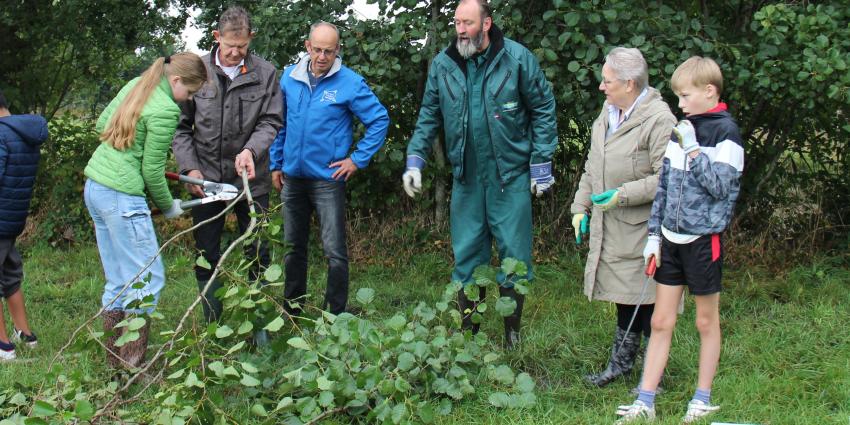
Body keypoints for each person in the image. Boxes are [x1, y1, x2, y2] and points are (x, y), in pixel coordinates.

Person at [402, 0, 557, 348]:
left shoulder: (516, 59)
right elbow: (429, 114)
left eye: (467, 23)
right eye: (457, 22)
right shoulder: (443, 65)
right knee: (468, 256)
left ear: (486, 24)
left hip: (509, 176)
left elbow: (543, 108)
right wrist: (415, 159)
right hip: (467, 178)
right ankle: (469, 337)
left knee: (514, 258)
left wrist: (540, 164)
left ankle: (512, 336)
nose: (460, 30)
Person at [614, 57, 744, 423]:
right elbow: (665, 187)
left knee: (705, 321)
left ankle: (701, 399)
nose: (680, 103)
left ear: (709, 91)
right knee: (660, 321)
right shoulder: (683, 128)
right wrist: (653, 236)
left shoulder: (727, 133)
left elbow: (720, 188)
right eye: (678, 96)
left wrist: (693, 150)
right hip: (669, 241)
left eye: (685, 96)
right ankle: (645, 402)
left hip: (703, 242)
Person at [84, 52, 207, 368]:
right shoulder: (166, 109)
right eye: (190, 91)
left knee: (118, 279)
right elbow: (152, 173)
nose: (188, 99)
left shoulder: (136, 85)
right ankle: (133, 366)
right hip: (122, 197)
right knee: (147, 281)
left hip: (96, 187)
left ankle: (115, 364)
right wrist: (168, 207)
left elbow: (102, 124)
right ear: (176, 80)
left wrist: (128, 149)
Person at [571, 47, 677, 387]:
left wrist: (622, 194)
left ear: (629, 84)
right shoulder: (608, 111)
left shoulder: (660, 120)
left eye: (608, 81)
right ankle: (620, 365)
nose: (601, 87)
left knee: (647, 300)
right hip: (613, 227)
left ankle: (652, 375)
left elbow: (669, 178)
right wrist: (580, 208)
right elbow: (593, 165)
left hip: (645, 229)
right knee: (625, 298)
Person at [269, 21, 389, 316]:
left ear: (338, 50)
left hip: (327, 178)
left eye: (329, 51)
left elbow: (379, 120)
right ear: (308, 47)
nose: (322, 56)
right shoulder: (289, 77)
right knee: (293, 247)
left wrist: (357, 159)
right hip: (292, 178)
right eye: (317, 50)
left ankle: (334, 315)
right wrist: (276, 163)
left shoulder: (350, 82)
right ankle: (292, 311)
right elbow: (280, 123)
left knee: (334, 251)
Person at [172, 6, 283, 323]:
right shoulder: (198, 71)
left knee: (258, 251)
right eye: (230, 46)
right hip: (206, 181)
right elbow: (180, 129)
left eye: (242, 46)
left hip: (251, 181)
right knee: (206, 253)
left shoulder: (266, 73)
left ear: (251, 38)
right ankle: (212, 325)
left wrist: (251, 150)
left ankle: (259, 326)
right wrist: (190, 169)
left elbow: (271, 121)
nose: (235, 53)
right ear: (216, 37)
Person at [0, 90, 47, 361]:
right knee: (10, 274)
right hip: (12, 218)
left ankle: (3, 346)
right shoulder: (24, 132)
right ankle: (25, 334)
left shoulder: (1, 135)